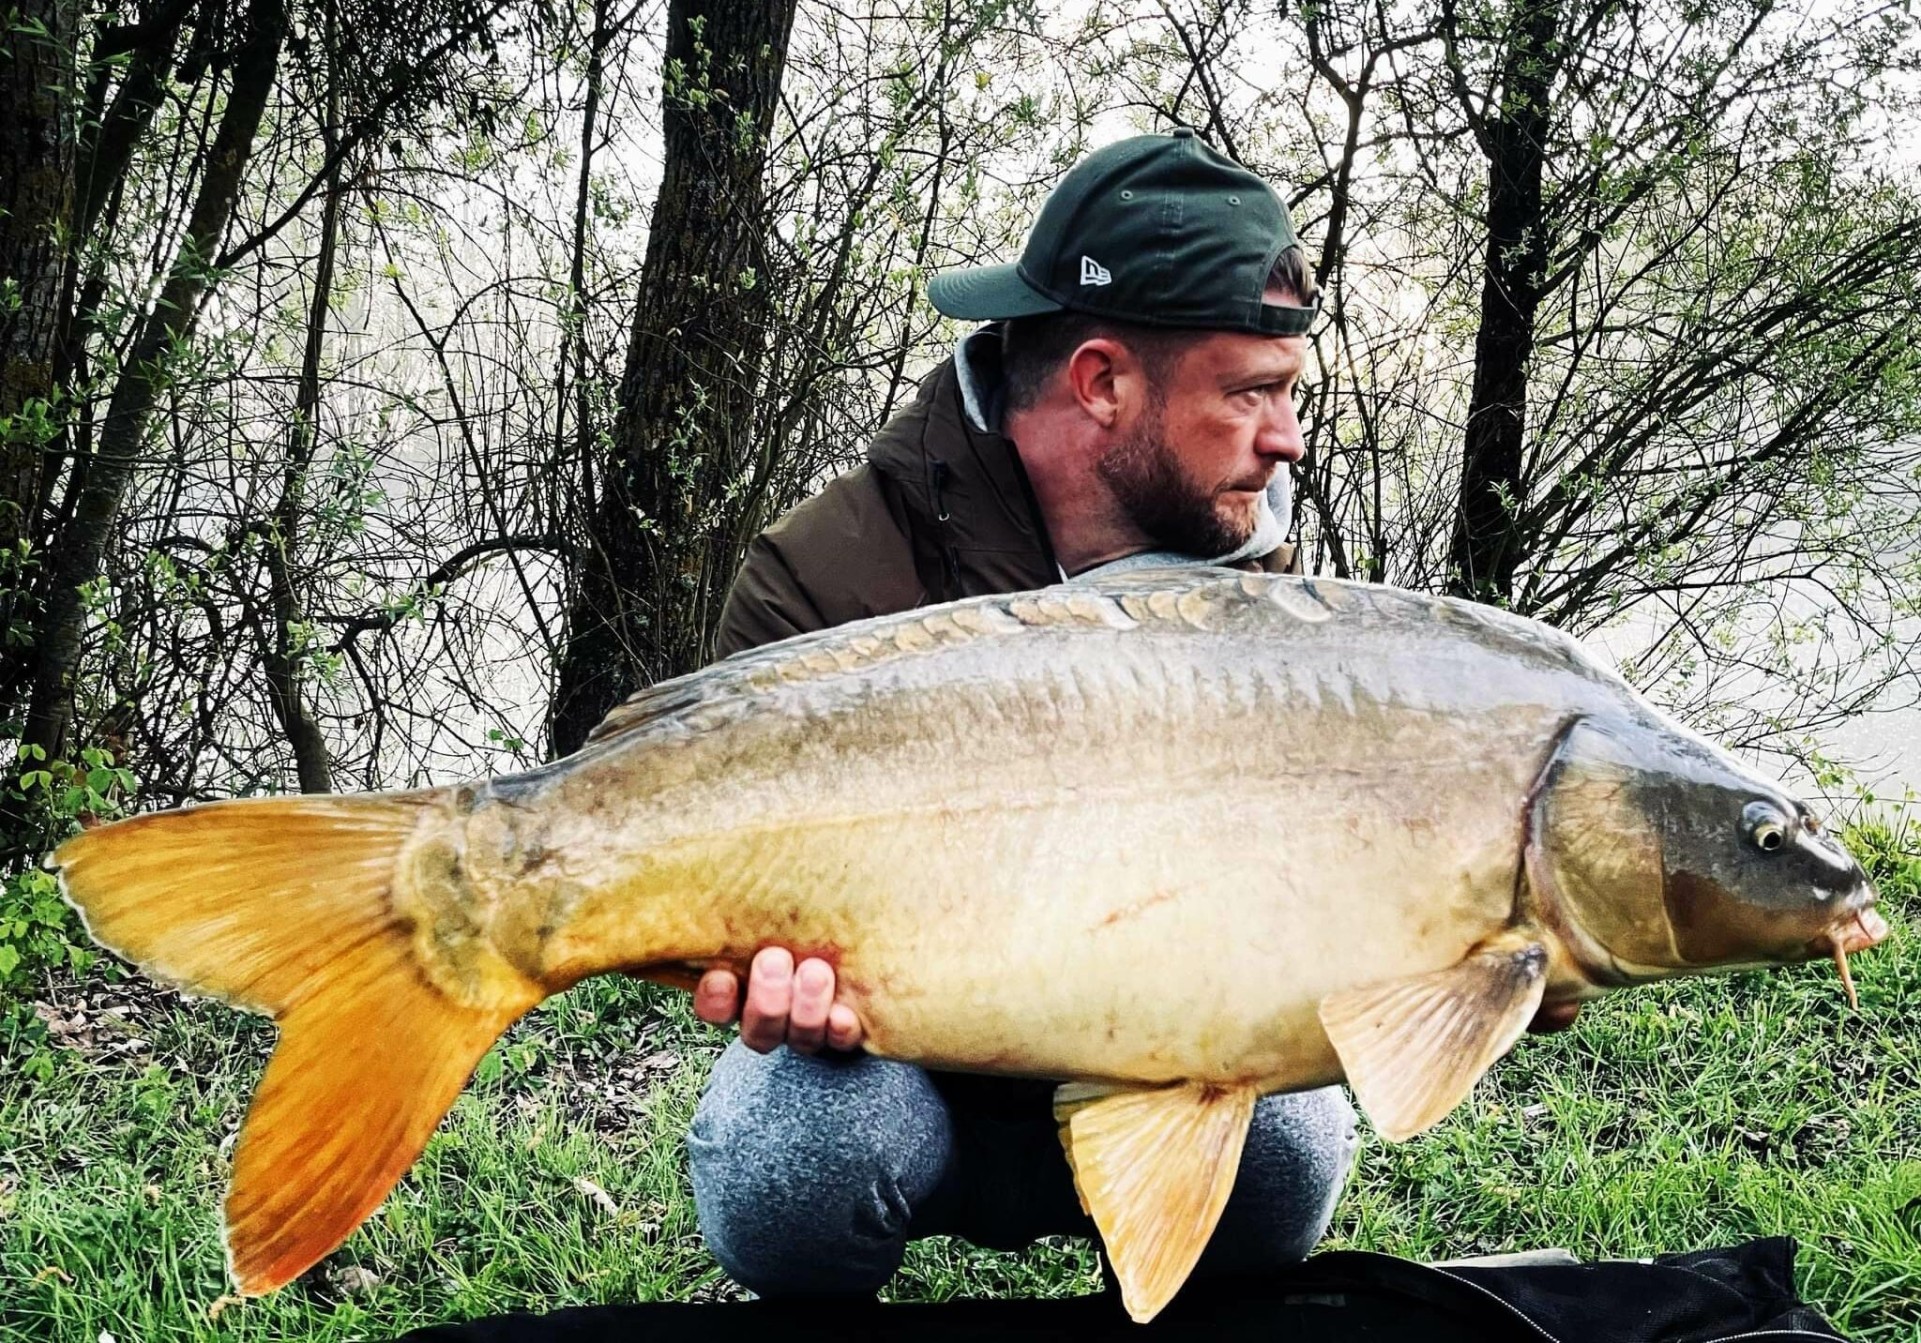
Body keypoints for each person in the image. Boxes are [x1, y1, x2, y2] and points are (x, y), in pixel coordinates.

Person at [680, 130, 1573, 1300]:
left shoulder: (1257, 597)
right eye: (1252, 392)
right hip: (896, 1065)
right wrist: (762, 972)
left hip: (1170, 1050)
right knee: (785, 1166)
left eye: (1286, 392)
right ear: (1103, 382)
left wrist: (1510, 941)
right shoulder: (829, 574)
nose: (1286, 436)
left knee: (1287, 1157)